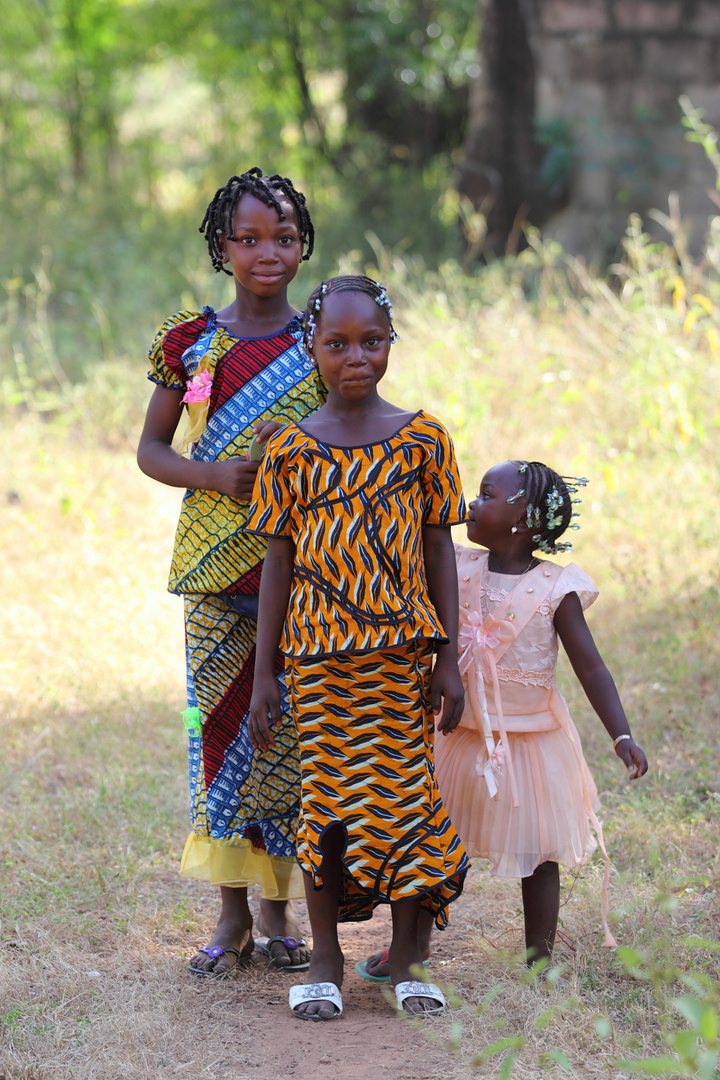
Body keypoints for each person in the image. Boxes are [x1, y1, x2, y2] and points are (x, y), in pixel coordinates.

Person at [245, 276, 470, 1020]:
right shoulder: (290, 447)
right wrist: (264, 673)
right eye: (336, 344)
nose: (355, 358)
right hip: (318, 662)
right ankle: (329, 961)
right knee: (329, 806)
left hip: (401, 658)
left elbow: (439, 547)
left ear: (389, 344)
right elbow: (278, 561)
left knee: (405, 800)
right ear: (311, 349)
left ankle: (410, 958)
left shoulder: (425, 439)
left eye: (370, 342)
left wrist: (448, 657)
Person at [137, 168, 327, 977]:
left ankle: (281, 913)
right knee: (214, 733)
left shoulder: (322, 334)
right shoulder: (193, 342)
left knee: (286, 734)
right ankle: (230, 914)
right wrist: (215, 476)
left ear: (302, 244)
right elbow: (151, 451)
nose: (267, 253)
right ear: (222, 246)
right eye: (249, 239)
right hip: (216, 570)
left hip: (310, 573)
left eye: (283, 238)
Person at [359, 460, 648, 981]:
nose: (471, 503)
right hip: (455, 736)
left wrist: (621, 734)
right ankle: (410, 949)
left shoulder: (556, 589)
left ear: (522, 517)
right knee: (429, 841)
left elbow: (591, 667)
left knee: (538, 854)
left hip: (532, 742)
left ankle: (539, 959)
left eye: (486, 494)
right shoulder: (457, 565)